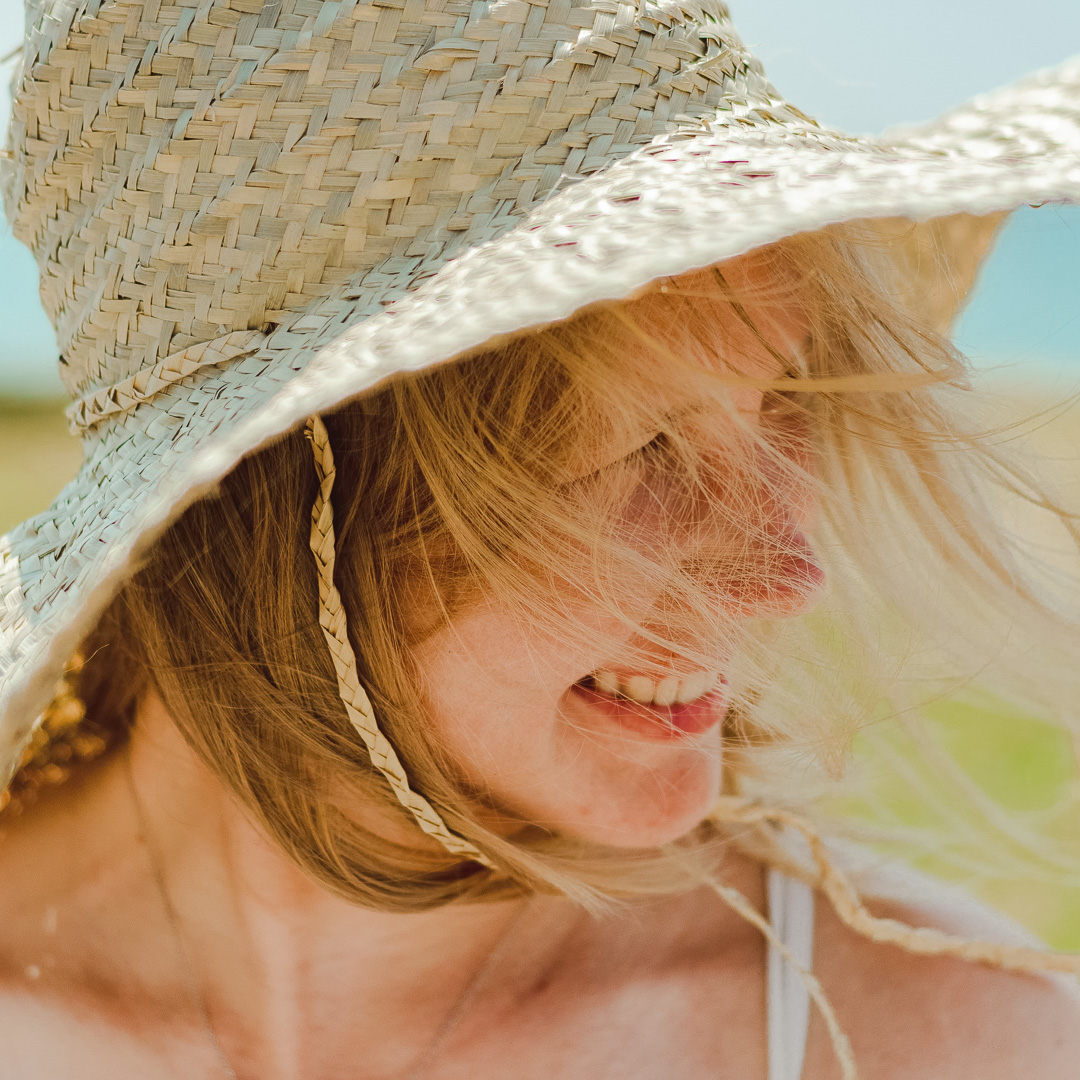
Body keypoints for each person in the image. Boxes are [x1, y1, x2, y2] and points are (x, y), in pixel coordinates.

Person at [1, 1, 1079, 1076]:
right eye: (648, 447)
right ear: (283, 501)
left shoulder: (944, 1039)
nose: (790, 576)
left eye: (786, 400)